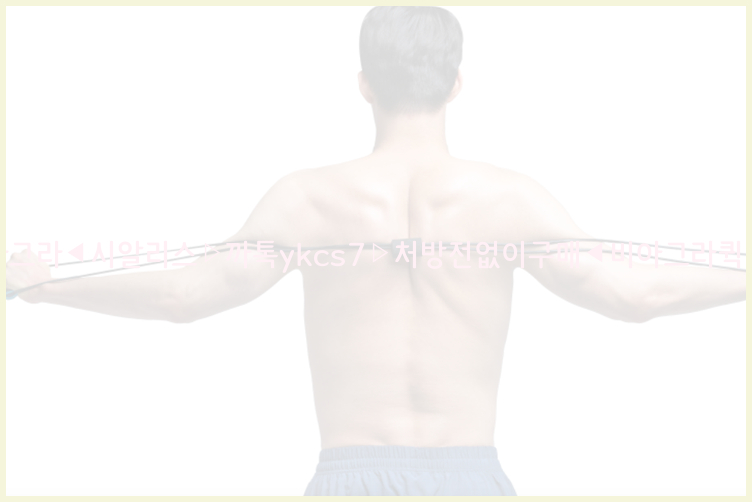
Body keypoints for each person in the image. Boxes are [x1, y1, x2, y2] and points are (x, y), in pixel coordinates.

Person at [5, 6, 745, 496]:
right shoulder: (508, 200)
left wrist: (47, 287)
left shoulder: (306, 200)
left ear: (363, 84)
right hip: (470, 480)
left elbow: (184, 297)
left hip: (347, 481)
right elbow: (634, 298)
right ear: (457, 83)